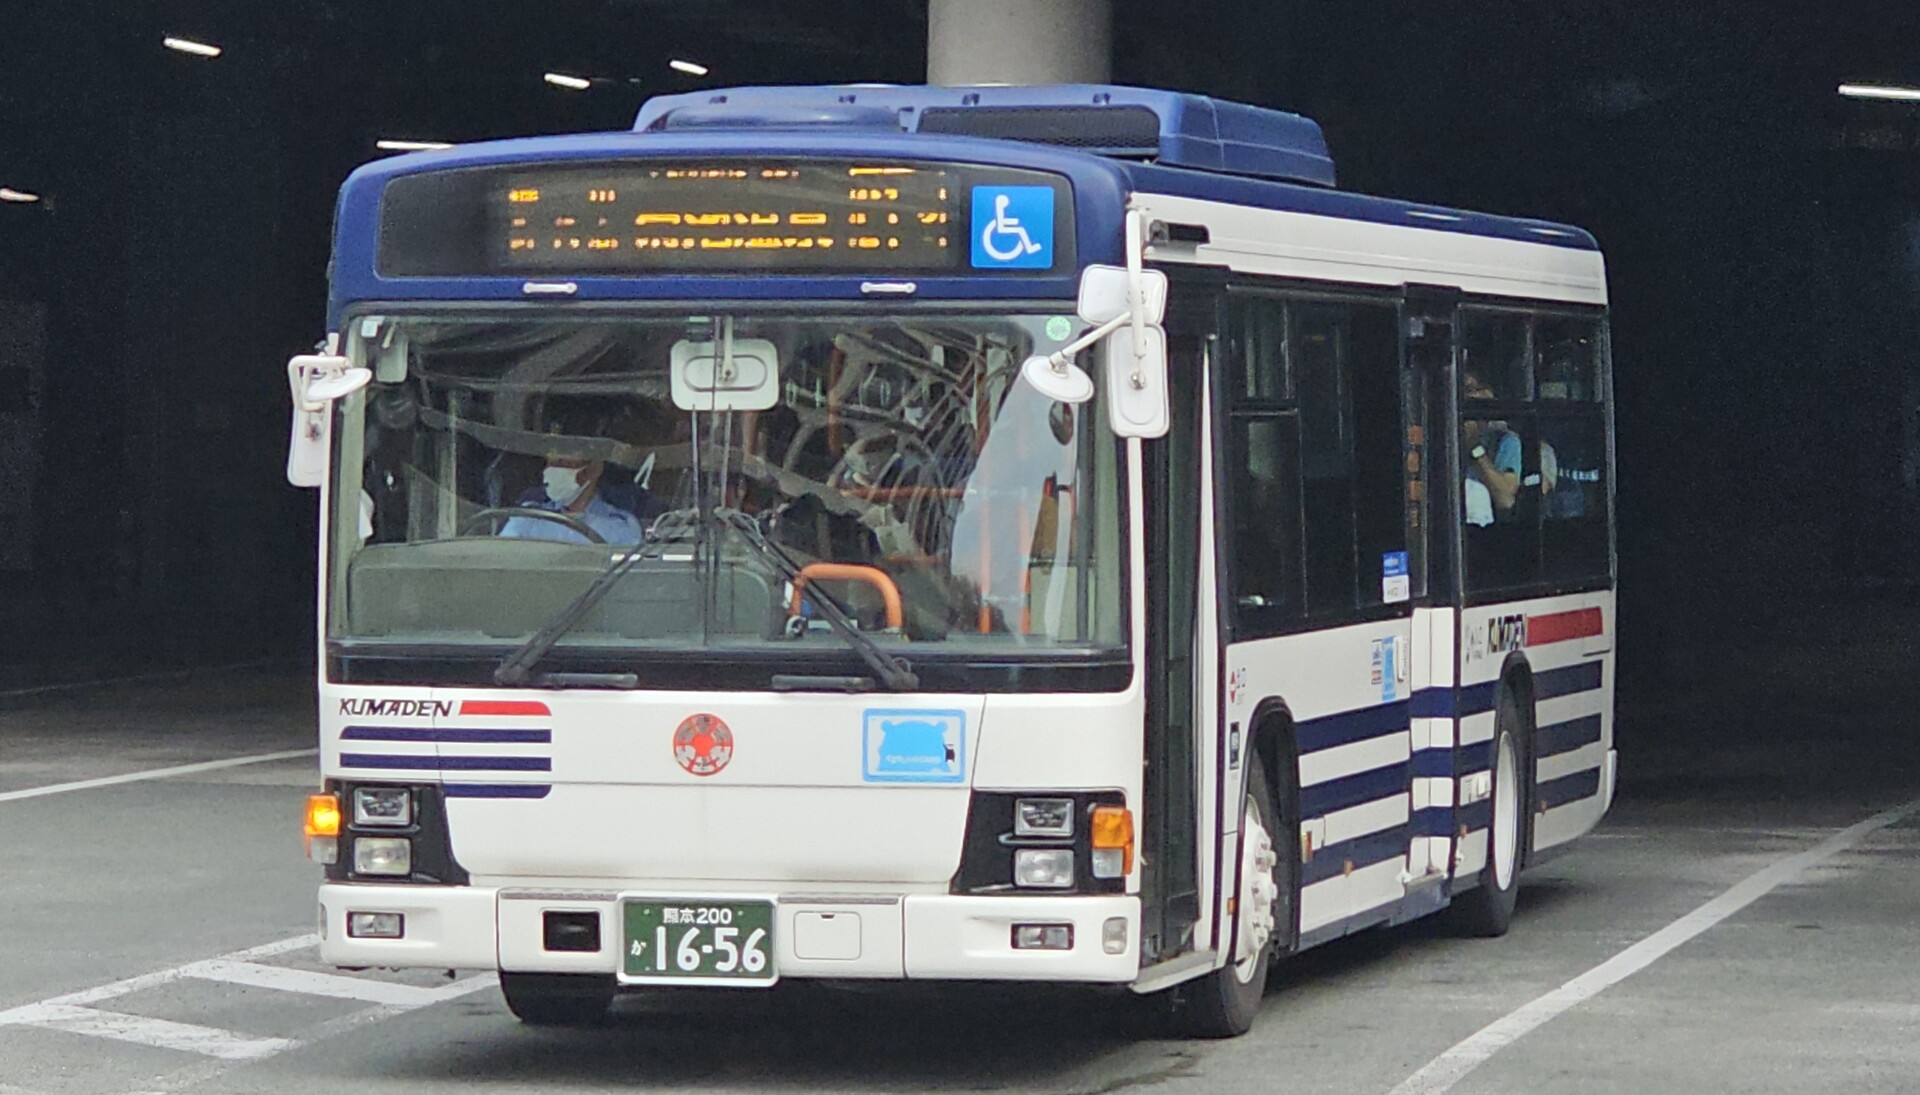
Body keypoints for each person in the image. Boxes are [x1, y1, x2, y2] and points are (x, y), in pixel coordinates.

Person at [499, 451, 646, 545]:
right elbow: (500, 564)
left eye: (563, 464)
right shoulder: (527, 518)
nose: (552, 472)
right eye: (550, 464)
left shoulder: (620, 527)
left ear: (593, 470)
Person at [1461, 369, 1521, 527]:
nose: (1468, 397)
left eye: (1471, 390)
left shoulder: (1505, 441)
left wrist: (1474, 447)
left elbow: (1505, 500)